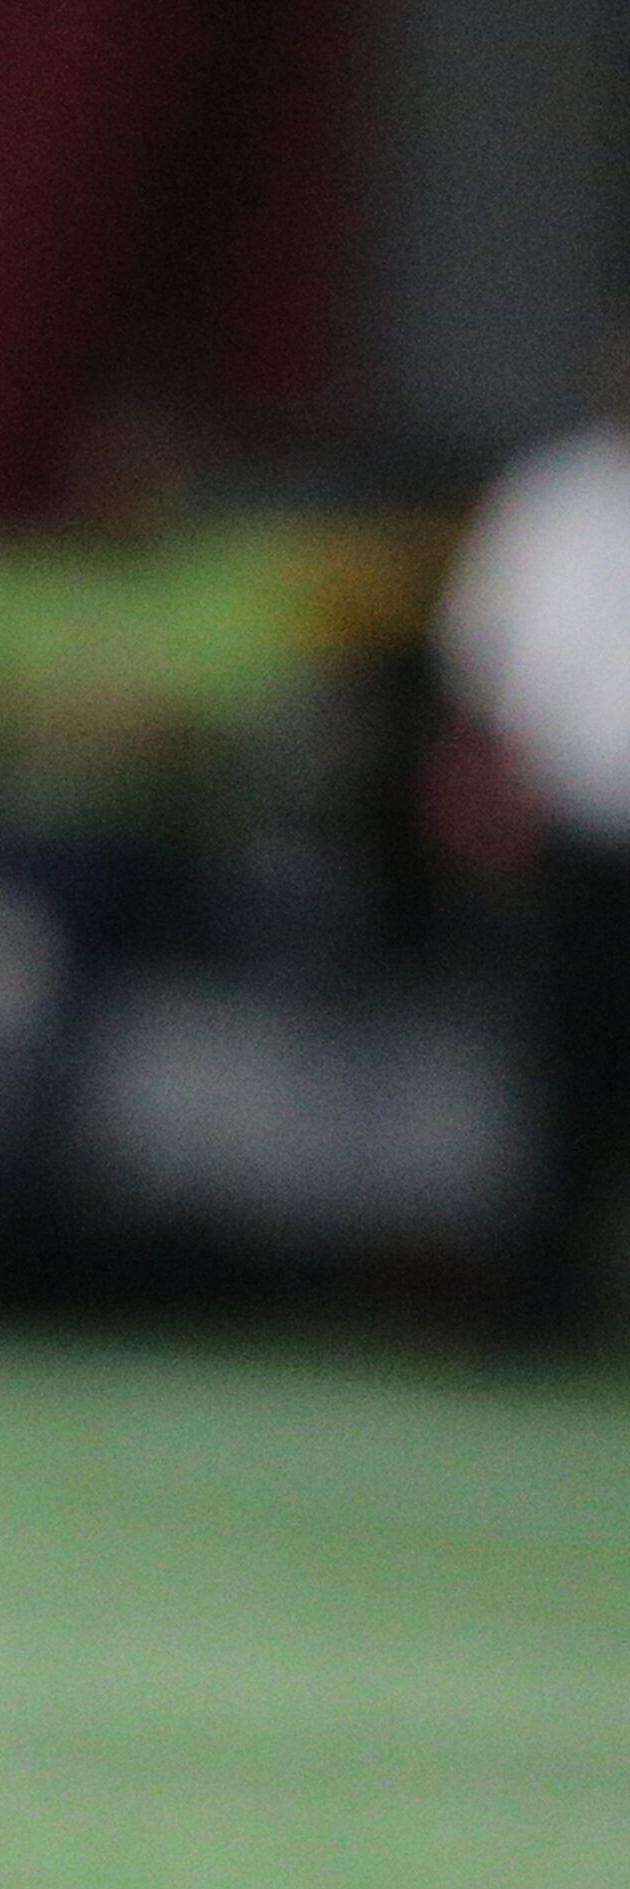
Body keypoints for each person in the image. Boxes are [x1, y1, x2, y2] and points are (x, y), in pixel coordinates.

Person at [435, 319, 630, 1343]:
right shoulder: (552, 498)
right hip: (580, 840)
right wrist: (484, 799)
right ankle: (548, 1307)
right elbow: (488, 666)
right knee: (566, 1076)